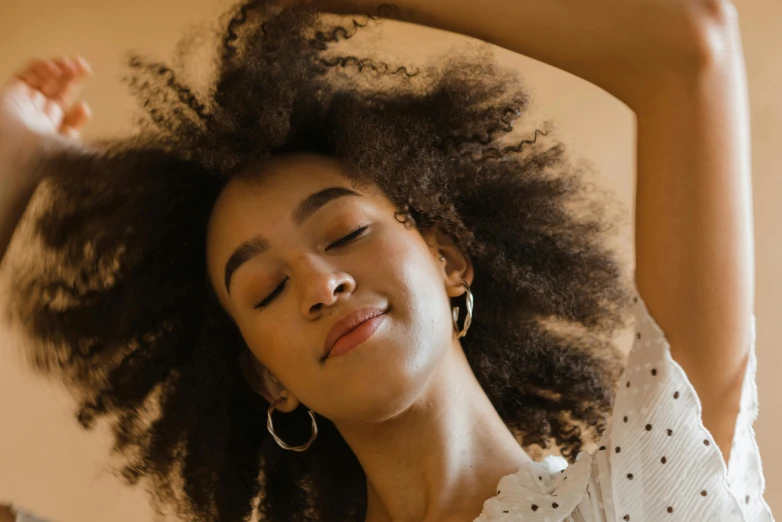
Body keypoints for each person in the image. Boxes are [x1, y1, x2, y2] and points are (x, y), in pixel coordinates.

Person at [0, 0, 772, 521]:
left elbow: (690, 44)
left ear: (447, 259)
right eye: (265, 290)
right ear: (269, 379)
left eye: (342, 233)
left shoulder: (638, 487)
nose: (319, 280)